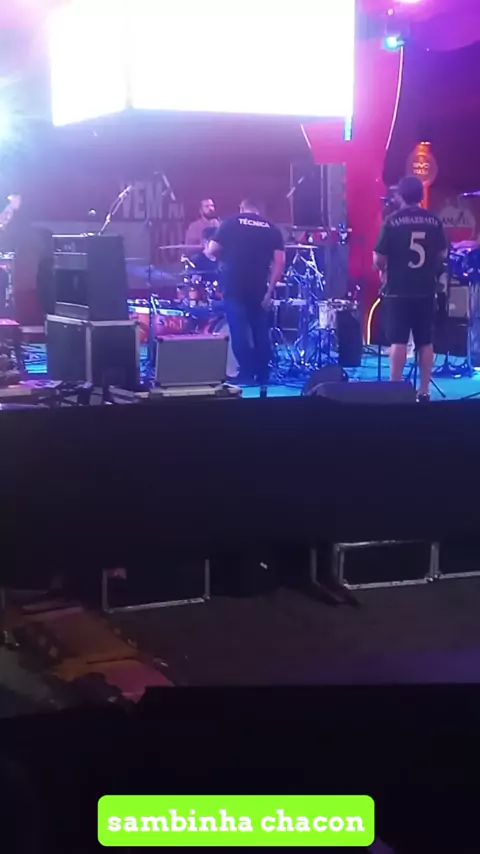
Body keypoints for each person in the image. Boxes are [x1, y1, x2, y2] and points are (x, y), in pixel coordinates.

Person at [373, 175, 448, 401]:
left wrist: (385, 270)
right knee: (425, 341)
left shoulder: (392, 221)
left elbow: (378, 258)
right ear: (420, 195)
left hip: (398, 290)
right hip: (425, 289)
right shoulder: (434, 221)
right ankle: (424, 390)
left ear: (400, 196)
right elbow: (442, 253)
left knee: (398, 341)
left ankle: (395, 390)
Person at [208, 198, 285, 384]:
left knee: (239, 331)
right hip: (258, 286)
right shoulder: (272, 229)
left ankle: (246, 373)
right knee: (260, 330)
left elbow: (212, 249)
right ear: (258, 210)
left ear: (242, 208)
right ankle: (263, 373)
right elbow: (280, 262)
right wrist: (270, 291)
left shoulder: (230, 223)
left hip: (234, 284)